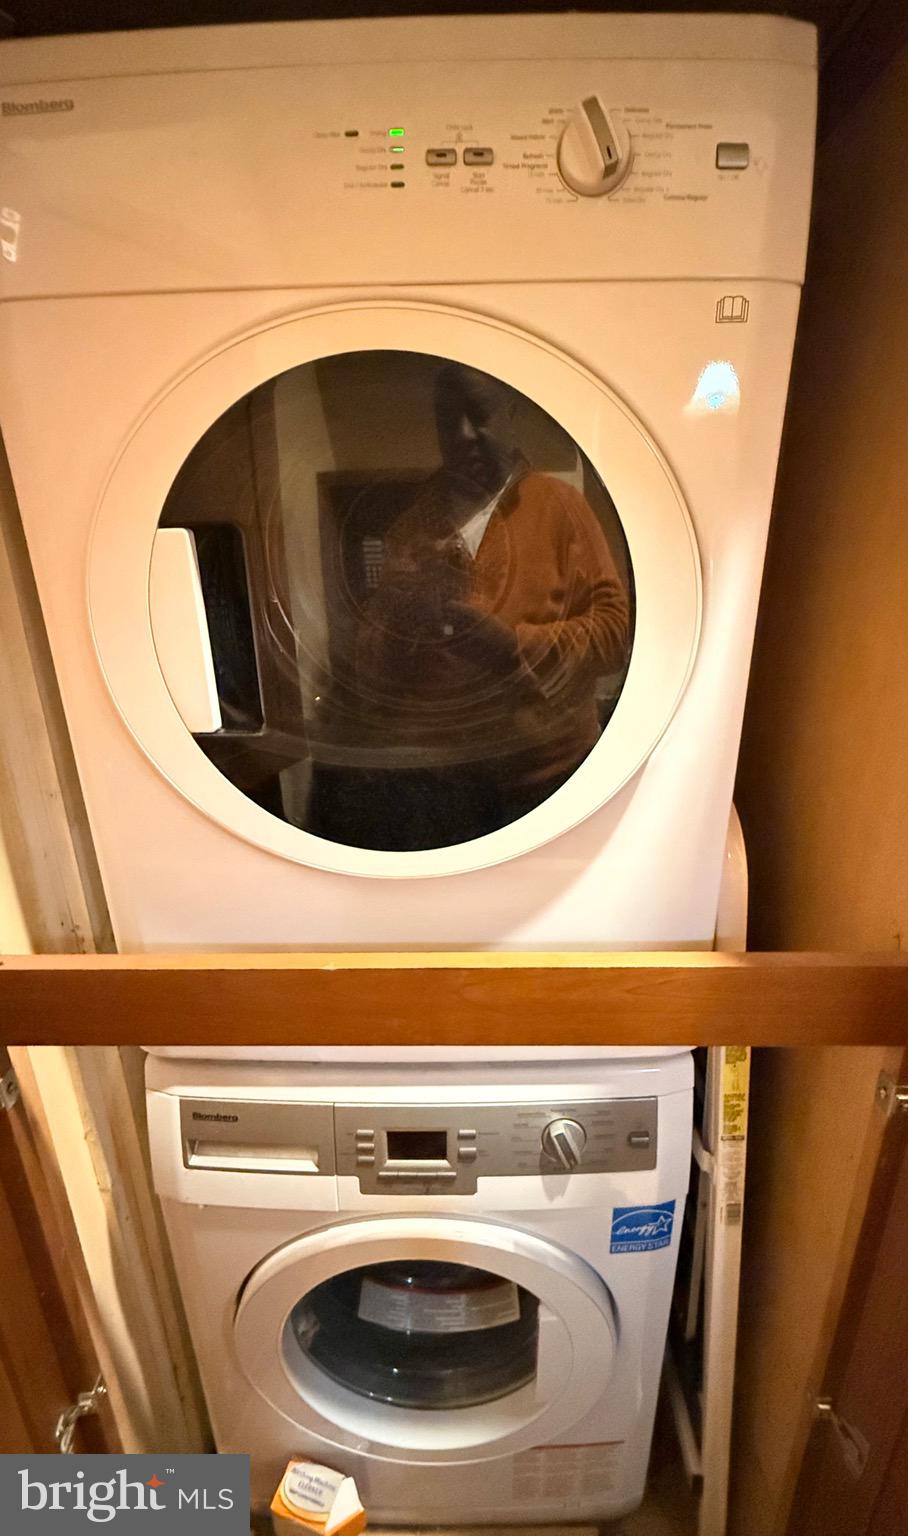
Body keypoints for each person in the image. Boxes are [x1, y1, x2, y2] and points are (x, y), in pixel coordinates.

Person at [309, 364, 631, 851]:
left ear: (511, 415)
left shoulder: (561, 506)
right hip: (443, 785)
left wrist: (511, 644)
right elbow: (374, 660)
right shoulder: (414, 524)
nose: (462, 435)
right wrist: (403, 606)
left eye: (478, 414)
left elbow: (615, 636)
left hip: (551, 774)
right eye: (446, 421)